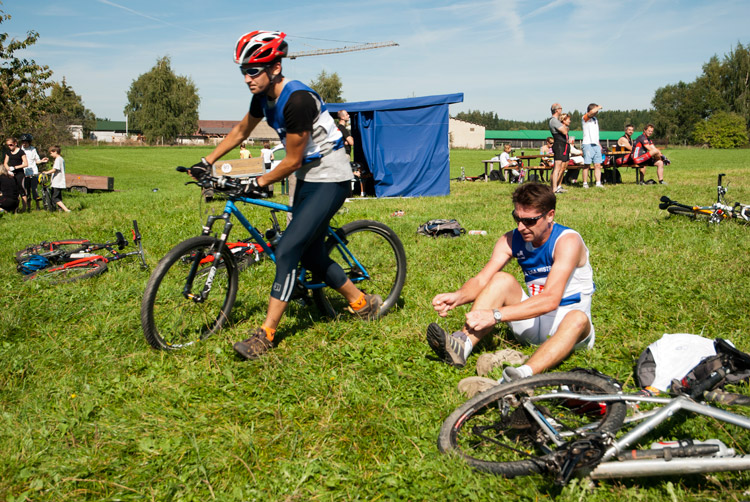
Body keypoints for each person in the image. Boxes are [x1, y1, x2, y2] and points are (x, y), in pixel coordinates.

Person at [188, 30, 382, 361]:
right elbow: (241, 130)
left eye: (253, 70)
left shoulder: (298, 101)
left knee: (289, 248)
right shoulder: (262, 97)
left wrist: (258, 181)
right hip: (307, 175)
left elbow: (291, 160)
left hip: (332, 176)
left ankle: (266, 334)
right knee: (311, 253)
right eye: (243, 71)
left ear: (275, 67)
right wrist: (207, 161)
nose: (247, 78)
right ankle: (361, 302)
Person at [426, 182, 595, 381]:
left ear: (550, 215)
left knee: (577, 318)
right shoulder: (511, 239)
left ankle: (521, 374)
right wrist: (458, 296)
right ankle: (462, 346)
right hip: (534, 322)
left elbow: (550, 299)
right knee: (501, 280)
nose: (521, 227)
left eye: (530, 221)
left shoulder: (567, 241)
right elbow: (482, 280)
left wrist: (495, 315)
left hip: (571, 330)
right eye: (517, 218)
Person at [20, 133, 47, 211]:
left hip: (33, 172)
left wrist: (42, 161)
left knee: (34, 190)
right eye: (23, 142)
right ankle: (28, 207)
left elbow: (37, 161)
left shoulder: (33, 149)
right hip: (25, 173)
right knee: (27, 191)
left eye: (26, 142)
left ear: (29, 142)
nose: (24, 143)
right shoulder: (20, 150)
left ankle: (38, 207)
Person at [581, 103, 604, 188]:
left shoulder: (595, 119)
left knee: (597, 164)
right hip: (587, 144)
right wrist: (599, 107)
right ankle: (585, 183)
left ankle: (598, 183)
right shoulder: (585, 118)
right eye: (595, 109)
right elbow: (590, 113)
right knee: (587, 164)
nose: (597, 111)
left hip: (596, 144)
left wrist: (599, 144)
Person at [42, 146, 71, 212]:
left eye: (51, 153)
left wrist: (46, 172)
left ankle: (66, 210)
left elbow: (55, 169)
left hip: (57, 182)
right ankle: (59, 209)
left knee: (54, 198)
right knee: (58, 197)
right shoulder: (60, 159)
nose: (51, 155)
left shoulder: (58, 159)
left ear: (55, 152)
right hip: (58, 182)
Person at [3, 137, 28, 212]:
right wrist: (8, 169)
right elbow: (5, 163)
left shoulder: (21, 152)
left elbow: (26, 164)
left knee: (21, 190)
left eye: (11, 145)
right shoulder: (8, 153)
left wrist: (15, 167)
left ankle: (24, 208)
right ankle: (14, 208)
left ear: (15, 143)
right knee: (13, 191)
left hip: (19, 174)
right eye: (8, 145)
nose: (9, 146)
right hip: (11, 174)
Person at [548, 103, 568, 193]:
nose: (561, 110)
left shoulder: (556, 121)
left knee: (559, 167)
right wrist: (565, 127)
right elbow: (564, 131)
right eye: (560, 108)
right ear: (556, 110)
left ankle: (554, 187)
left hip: (561, 144)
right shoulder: (554, 121)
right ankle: (554, 188)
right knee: (557, 167)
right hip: (559, 145)